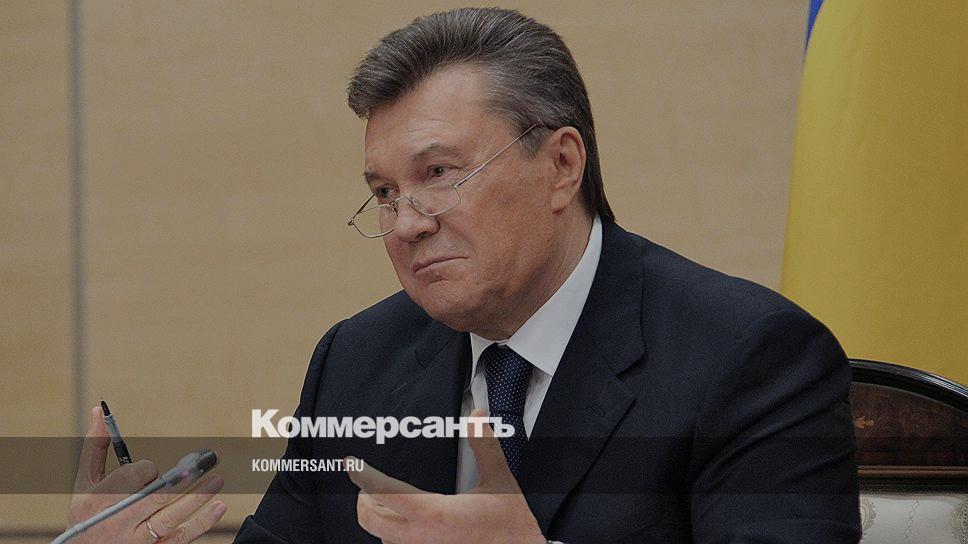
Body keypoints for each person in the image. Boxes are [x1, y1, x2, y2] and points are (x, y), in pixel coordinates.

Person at [69, 7, 860, 543]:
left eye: (439, 173)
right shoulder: (357, 361)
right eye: (385, 192)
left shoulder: (747, 357)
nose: (406, 222)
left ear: (561, 165)